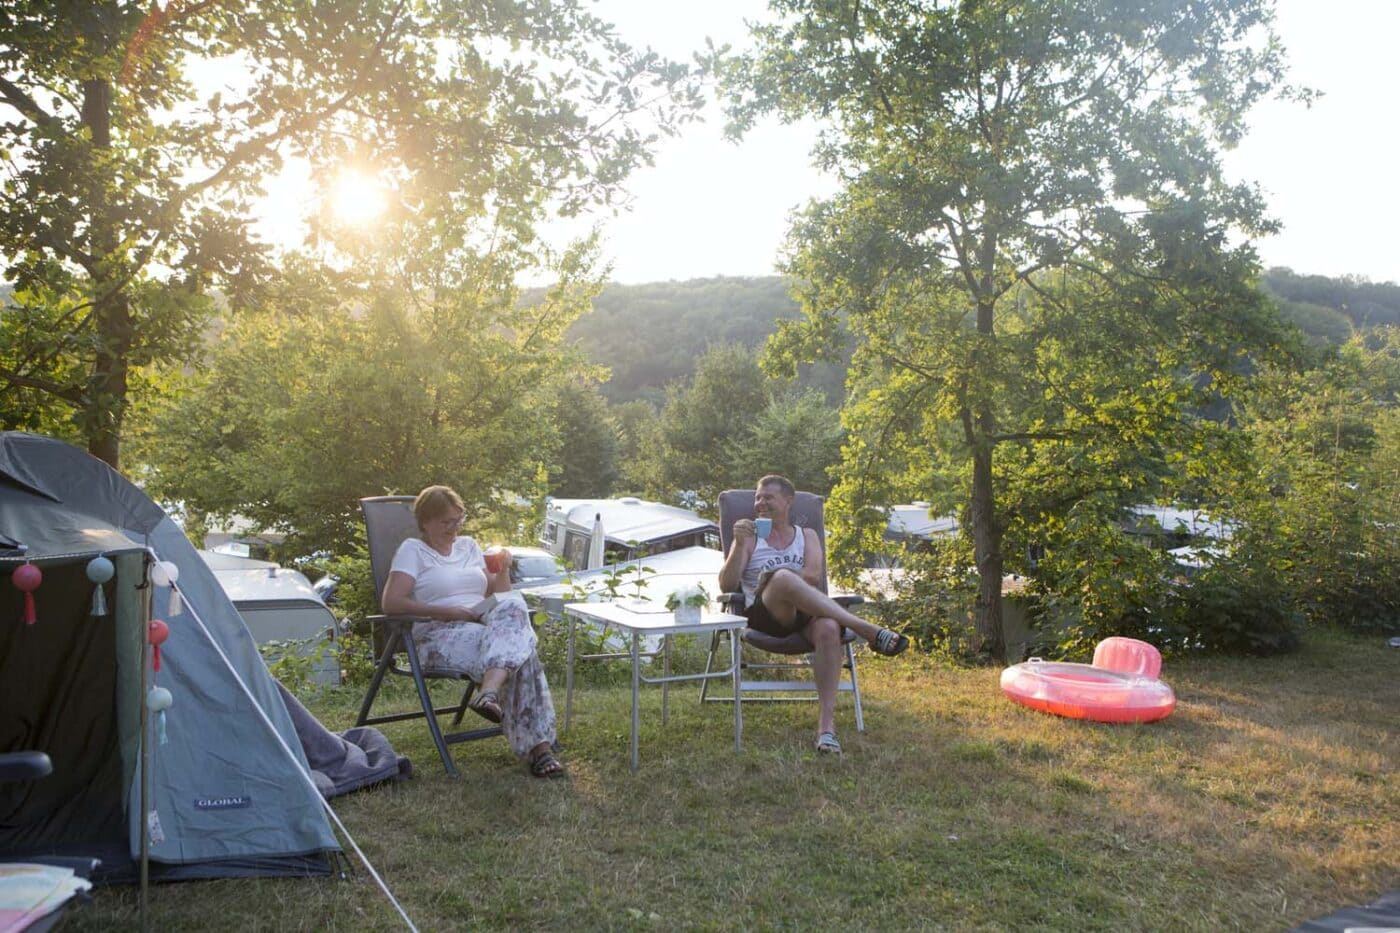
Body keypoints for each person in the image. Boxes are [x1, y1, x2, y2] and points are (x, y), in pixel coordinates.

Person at [718, 475, 909, 755]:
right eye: (757, 497)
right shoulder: (749, 539)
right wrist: (737, 544)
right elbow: (725, 585)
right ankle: (867, 630)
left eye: (768, 497)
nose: (760, 503)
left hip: (805, 614)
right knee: (781, 578)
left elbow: (812, 577)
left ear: (788, 501)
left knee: (829, 627)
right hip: (764, 616)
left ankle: (827, 730)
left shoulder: (807, 535)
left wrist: (783, 578)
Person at [382, 485, 564, 778]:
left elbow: (499, 593)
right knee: (522, 651)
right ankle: (541, 750)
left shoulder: (468, 546)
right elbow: (391, 602)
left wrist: (503, 569)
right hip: (437, 632)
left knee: (514, 603)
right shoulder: (412, 551)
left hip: (482, 625)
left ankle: (489, 691)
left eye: (458, 520)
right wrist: (448, 611)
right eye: (446, 522)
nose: (454, 528)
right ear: (425, 522)